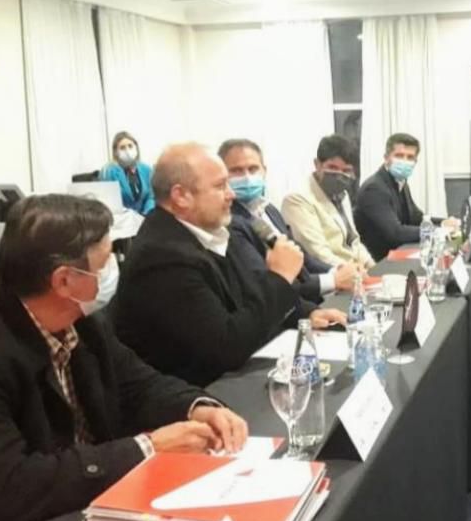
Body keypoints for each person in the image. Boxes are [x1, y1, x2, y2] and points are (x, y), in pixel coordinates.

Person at [0, 195, 248, 521]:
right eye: (105, 260)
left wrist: (197, 406)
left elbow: (139, 384)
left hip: (86, 511)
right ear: (64, 280)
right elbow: (10, 486)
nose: (114, 268)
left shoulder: (82, 322)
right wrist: (147, 447)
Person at [113, 143, 344, 387]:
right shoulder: (162, 257)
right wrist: (280, 278)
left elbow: (250, 291)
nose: (231, 194)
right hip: (197, 392)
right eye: (220, 186)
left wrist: (304, 314)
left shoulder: (214, 231)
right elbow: (226, 347)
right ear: (181, 196)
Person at [219, 138, 359, 301]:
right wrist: (332, 280)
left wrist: (337, 270)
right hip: (284, 306)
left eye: (253, 169)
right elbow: (265, 283)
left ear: (264, 171)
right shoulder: (229, 222)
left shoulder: (269, 209)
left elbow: (301, 256)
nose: (247, 177)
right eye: (236, 171)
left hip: (309, 299)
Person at [353, 133, 459, 261]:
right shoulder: (374, 188)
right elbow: (395, 233)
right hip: (377, 261)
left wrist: (443, 222)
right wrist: (438, 231)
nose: (404, 161)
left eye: (410, 157)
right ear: (386, 158)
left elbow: (417, 218)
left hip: (398, 254)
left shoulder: (400, 182)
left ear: (415, 162)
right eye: (399, 155)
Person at [282, 135, 376, 269]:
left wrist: (371, 265)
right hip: (329, 274)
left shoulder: (342, 194)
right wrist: (354, 271)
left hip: (354, 270)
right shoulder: (297, 199)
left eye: (346, 170)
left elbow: (353, 240)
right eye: (332, 167)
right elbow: (318, 253)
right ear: (317, 164)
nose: (339, 175)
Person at [99, 131, 155, 215]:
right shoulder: (108, 172)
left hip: (144, 217)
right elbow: (108, 203)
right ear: (115, 152)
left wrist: (147, 213)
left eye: (130, 146)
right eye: (122, 148)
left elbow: (151, 196)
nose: (127, 150)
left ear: (136, 147)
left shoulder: (146, 169)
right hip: (121, 218)